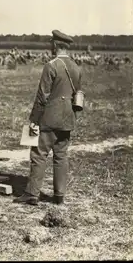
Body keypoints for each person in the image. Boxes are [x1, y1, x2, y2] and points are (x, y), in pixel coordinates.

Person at [14, 30, 83, 206]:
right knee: (61, 156)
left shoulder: (51, 66)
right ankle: (59, 196)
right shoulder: (76, 67)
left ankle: (32, 194)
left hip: (49, 119)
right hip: (68, 118)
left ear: (55, 45)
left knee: (38, 155)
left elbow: (42, 96)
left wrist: (34, 120)